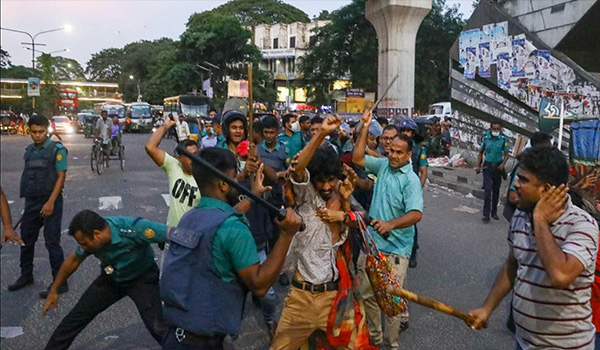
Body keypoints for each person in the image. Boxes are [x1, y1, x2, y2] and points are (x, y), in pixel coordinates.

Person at [160, 147, 302, 350]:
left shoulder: (189, 217)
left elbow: (221, 217)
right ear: (223, 184)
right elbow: (259, 285)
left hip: (176, 336)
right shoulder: (234, 228)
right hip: (203, 343)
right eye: (235, 177)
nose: (239, 181)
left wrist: (252, 196)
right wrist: (286, 235)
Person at [467, 146, 599, 350]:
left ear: (547, 190)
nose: (516, 186)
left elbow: (560, 275)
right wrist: (487, 308)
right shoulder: (521, 215)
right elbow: (513, 265)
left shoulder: (582, 226)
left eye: (523, 180)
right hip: (525, 343)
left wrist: (540, 219)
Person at [271, 115, 359, 350]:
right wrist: (321, 133)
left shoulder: (343, 197)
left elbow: (361, 226)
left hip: (337, 297)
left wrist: (345, 208)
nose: (327, 187)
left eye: (331, 180)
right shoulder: (305, 196)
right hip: (301, 299)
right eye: (321, 181)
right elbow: (299, 170)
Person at [42, 210, 171, 349]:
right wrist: (54, 289)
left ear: (96, 234)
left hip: (142, 279)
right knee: (75, 318)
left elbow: (175, 234)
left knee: (157, 327)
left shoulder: (134, 228)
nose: (83, 248)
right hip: (111, 279)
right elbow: (73, 259)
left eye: (84, 243)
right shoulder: (91, 238)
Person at [353, 110, 423, 350]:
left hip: (395, 250)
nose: (392, 156)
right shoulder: (383, 166)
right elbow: (358, 157)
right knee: (367, 295)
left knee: (393, 303)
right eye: (390, 150)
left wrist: (391, 224)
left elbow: (416, 214)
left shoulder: (410, 180)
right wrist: (364, 127)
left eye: (398, 153)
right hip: (372, 244)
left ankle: (391, 344)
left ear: (408, 155)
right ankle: (375, 337)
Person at [7, 115, 68, 298]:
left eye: (41, 131)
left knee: (52, 243)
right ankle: (26, 276)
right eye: (34, 132)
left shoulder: (57, 149)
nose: (38, 135)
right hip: (32, 203)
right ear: (29, 131)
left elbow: (61, 177)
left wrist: (50, 202)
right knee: (26, 242)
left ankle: (60, 282)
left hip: (51, 202)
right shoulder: (29, 151)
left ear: (47, 130)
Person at [145, 116, 200, 228]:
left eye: (196, 154)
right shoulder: (173, 166)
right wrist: (165, 126)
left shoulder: (206, 176)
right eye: (189, 156)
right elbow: (150, 147)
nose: (194, 159)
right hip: (173, 234)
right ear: (180, 158)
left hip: (195, 235)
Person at [399, 118, 428, 268]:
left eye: (408, 131)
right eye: (403, 131)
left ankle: (413, 251)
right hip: (397, 188)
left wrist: (418, 189)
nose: (406, 134)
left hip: (411, 188)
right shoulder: (395, 147)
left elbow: (423, 171)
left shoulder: (418, 150)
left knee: (412, 220)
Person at [476, 122, 509, 222]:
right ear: (490, 129)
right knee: (487, 190)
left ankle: (494, 212)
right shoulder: (486, 138)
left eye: (497, 129)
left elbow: (507, 155)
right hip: (487, 167)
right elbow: (481, 153)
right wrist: (478, 166)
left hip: (498, 168)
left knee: (496, 191)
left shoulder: (503, 139)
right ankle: (486, 214)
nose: (496, 131)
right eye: (494, 129)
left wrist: (503, 164)